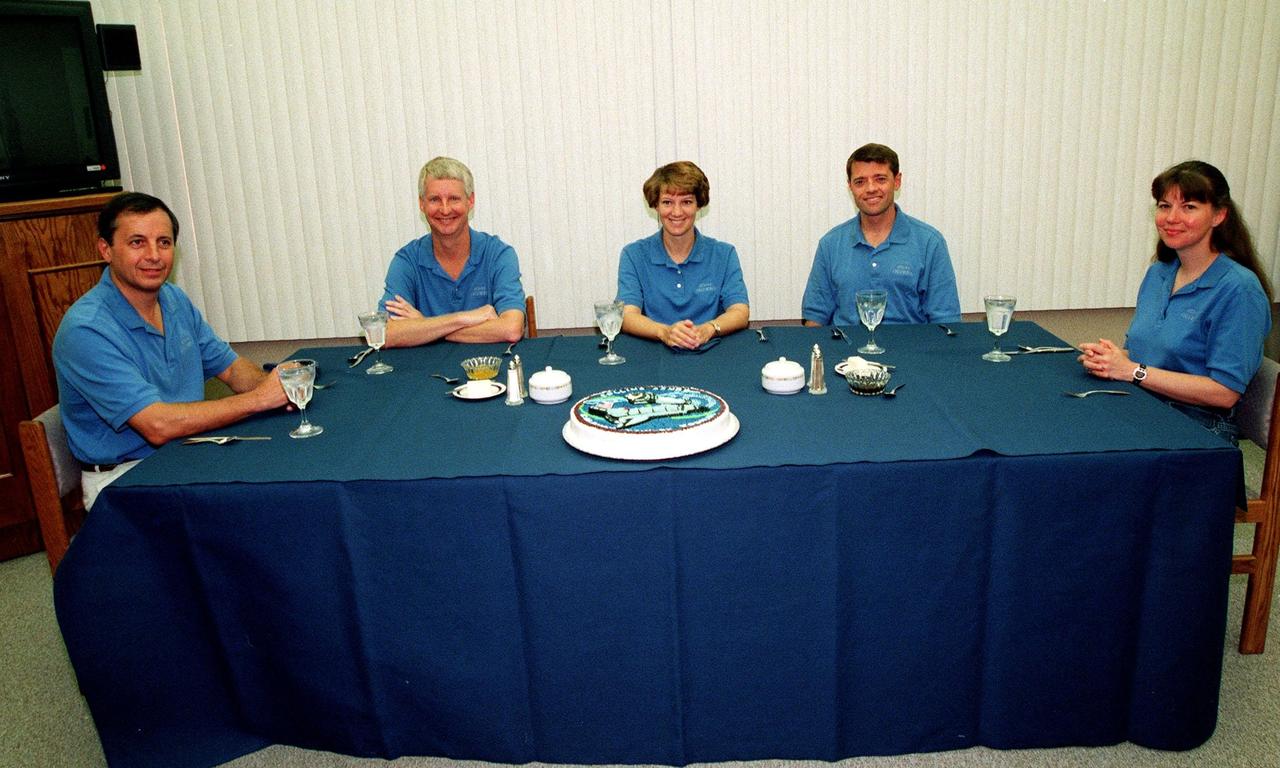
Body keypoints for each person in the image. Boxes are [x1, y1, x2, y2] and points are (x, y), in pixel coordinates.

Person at [53, 192, 288, 509]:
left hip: (186, 453)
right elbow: (157, 425)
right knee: (265, 507)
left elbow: (232, 369)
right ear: (105, 249)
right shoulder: (86, 330)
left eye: (163, 242)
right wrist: (260, 399)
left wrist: (278, 387)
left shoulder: (174, 299)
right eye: (137, 242)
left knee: (281, 474)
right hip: (125, 481)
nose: (154, 255)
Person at [1079, 160, 1272, 442]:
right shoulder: (1159, 273)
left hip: (1198, 428)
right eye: (1164, 206)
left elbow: (1225, 392)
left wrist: (1132, 371)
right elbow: (1143, 355)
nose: (1171, 217)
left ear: (1219, 215)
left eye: (1189, 207)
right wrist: (1112, 360)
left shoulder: (1239, 290)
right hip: (1146, 406)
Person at [802, 143, 960, 326]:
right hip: (845, 344)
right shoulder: (830, 245)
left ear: (897, 181)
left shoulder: (930, 243)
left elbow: (946, 320)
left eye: (880, 179)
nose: (871, 188)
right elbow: (814, 318)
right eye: (860, 182)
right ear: (850, 186)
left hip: (909, 344)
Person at [380, 156, 525, 346]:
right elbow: (383, 333)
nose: (445, 209)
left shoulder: (499, 255)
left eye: (454, 199)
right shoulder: (406, 261)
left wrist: (424, 324)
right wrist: (463, 319)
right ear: (421, 204)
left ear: (470, 201)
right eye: (434, 199)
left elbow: (511, 329)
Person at [617, 161, 749, 350]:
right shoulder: (633, 255)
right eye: (667, 202)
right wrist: (664, 332)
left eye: (686, 202)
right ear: (655, 205)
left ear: (699, 205)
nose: (677, 212)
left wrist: (708, 329)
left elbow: (740, 311)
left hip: (711, 351)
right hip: (654, 354)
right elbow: (627, 315)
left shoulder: (724, 254)